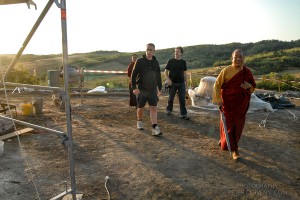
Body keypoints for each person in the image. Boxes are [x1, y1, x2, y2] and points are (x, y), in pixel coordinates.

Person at [212, 49, 256, 160]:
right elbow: (217, 85)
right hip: (227, 103)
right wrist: (218, 100)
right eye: (235, 57)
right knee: (227, 124)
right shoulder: (226, 71)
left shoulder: (247, 72)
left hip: (241, 105)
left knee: (237, 127)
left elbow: (253, 87)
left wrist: (249, 87)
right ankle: (226, 142)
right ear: (232, 58)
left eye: (240, 57)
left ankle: (235, 149)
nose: (238, 59)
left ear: (243, 59)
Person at [131, 43, 163, 136]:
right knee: (140, 107)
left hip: (152, 89)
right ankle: (139, 120)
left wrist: (159, 89)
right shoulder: (140, 61)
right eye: (147, 49)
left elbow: (158, 76)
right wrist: (134, 88)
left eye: (151, 50)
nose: (149, 51)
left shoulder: (155, 62)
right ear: (145, 50)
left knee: (153, 107)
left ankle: (154, 127)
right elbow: (133, 76)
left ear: (154, 51)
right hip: (142, 89)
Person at [164, 46, 189, 120]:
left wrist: (186, 83)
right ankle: (169, 110)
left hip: (181, 83)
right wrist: (168, 79)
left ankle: (183, 114)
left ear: (181, 53)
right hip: (172, 83)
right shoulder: (170, 61)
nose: (176, 53)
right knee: (171, 98)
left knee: (182, 99)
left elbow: (185, 73)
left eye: (177, 51)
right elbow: (165, 72)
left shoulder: (183, 62)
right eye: (175, 51)